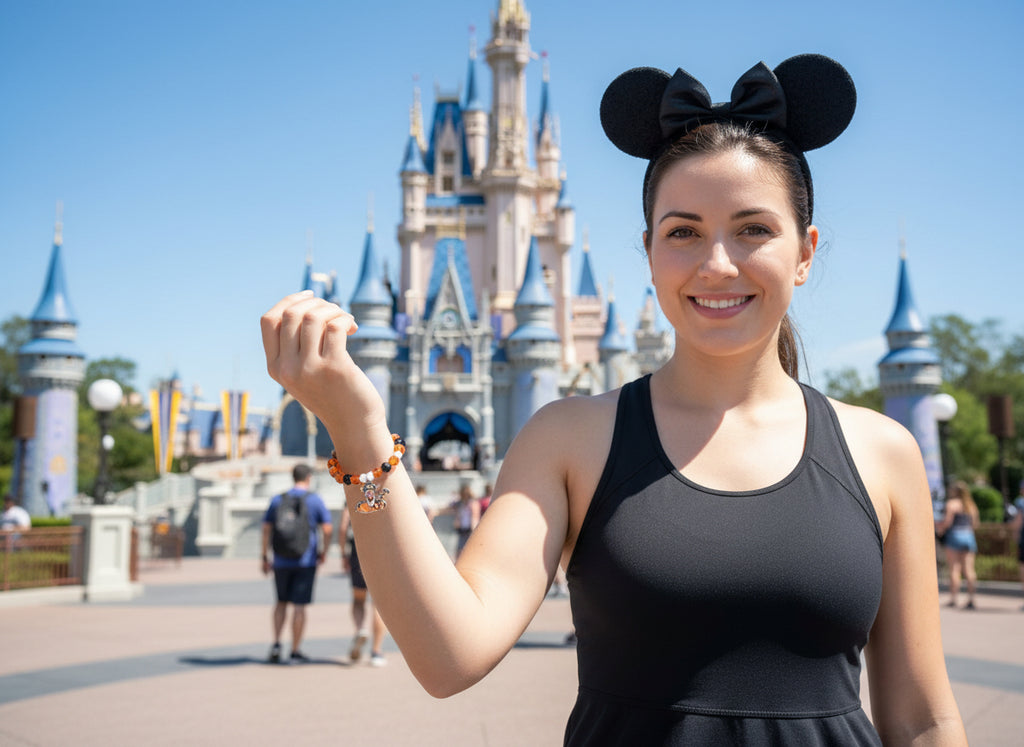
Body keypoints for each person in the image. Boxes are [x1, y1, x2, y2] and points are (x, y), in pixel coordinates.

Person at [261, 54, 966, 744]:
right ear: (650, 252)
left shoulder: (880, 452)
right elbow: (448, 655)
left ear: (805, 251)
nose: (717, 263)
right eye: (684, 232)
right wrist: (359, 433)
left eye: (753, 228)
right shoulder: (571, 439)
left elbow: (924, 720)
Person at [261, 463, 332, 664]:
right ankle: (295, 649)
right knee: (299, 607)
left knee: (280, 603)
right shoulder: (315, 500)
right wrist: (324, 552)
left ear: (292, 477)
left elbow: (266, 529)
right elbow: (327, 529)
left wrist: (264, 556)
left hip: (280, 560)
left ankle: (276, 643)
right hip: (306, 560)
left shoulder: (278, 499)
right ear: (309, 477)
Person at [339, 504, 388, 667]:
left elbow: (343, 527)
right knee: (378, 605)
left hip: (358, 550)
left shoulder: (354, 491)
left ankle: (360, 629)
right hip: (381, 550)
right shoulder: (384, 492)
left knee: (358, 599)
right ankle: (376, 651)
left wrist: (343, 554)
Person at [936, 481, 980, 609]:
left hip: (954, 535)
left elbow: (947, 522)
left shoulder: (952, 504)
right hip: (968, 536)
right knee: (969, 569)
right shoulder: (971, 505)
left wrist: (939, 528)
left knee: (954, 569)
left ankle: (954, 598)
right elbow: (975, 524)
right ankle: (971, 598)